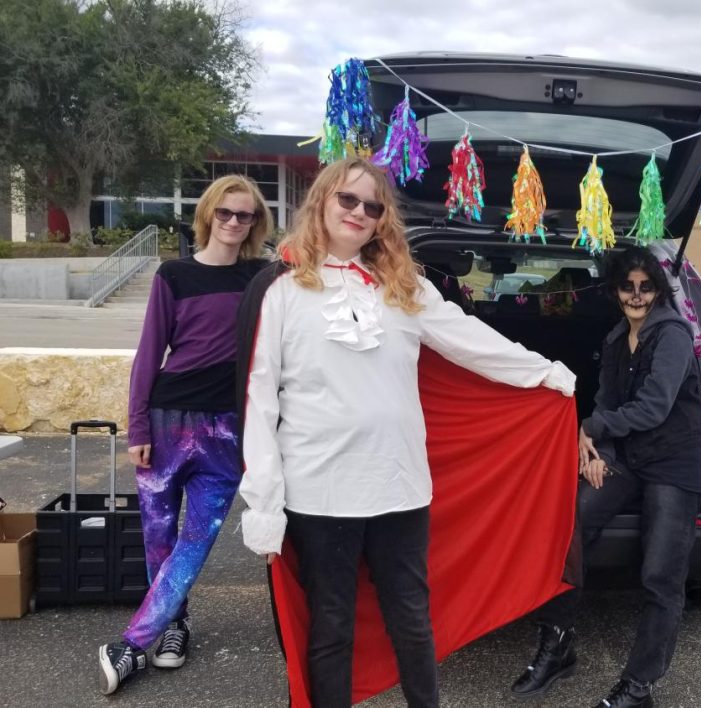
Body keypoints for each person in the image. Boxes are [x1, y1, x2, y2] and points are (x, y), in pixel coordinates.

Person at [237, 157, 576, 708]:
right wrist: (264, 502)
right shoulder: (279, 289)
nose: (359, 213)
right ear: (322, 200)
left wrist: (546, 373)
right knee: (332, 627)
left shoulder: (402, 285)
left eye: (372, 206)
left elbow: (468, 339)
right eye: (348, 200)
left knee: (412, 620)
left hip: (399, 486)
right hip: (318, 492)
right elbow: (257, 398)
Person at [510, 246, 701, 708]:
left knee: (661, 574)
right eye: (628, 286)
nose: (637, 295)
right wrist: (597, 451)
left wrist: (592, 430)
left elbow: (654, 406)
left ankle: (638, 687)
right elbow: (607, 399)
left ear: (658, 289)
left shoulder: (673, 334)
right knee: (569, 525)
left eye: (646, 287)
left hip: (677, 462)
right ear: (615, 290)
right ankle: (558, 643)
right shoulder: (616, 337)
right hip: (631, 457)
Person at [98, 175, 273, 695]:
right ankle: (175, 624)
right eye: (226, 213)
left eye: (245, 216)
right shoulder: (172, 274)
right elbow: (149, 354)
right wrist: (137, 426)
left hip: (226, 431)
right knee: (158, 536)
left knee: (196, 540)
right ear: (208, 215)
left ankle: (133, 641)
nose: (235, 223)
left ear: (255, 223)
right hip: (167, 422)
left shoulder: (263, 279)